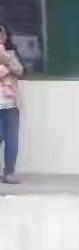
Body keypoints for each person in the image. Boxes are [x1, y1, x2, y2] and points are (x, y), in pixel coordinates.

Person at [0, 25, 24, 185]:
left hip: (10, 105)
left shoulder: (10, 54)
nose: (2, 38)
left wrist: (6, 60)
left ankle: (9, 173)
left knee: (12, 141)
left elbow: (20, 71)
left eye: (2, 35)